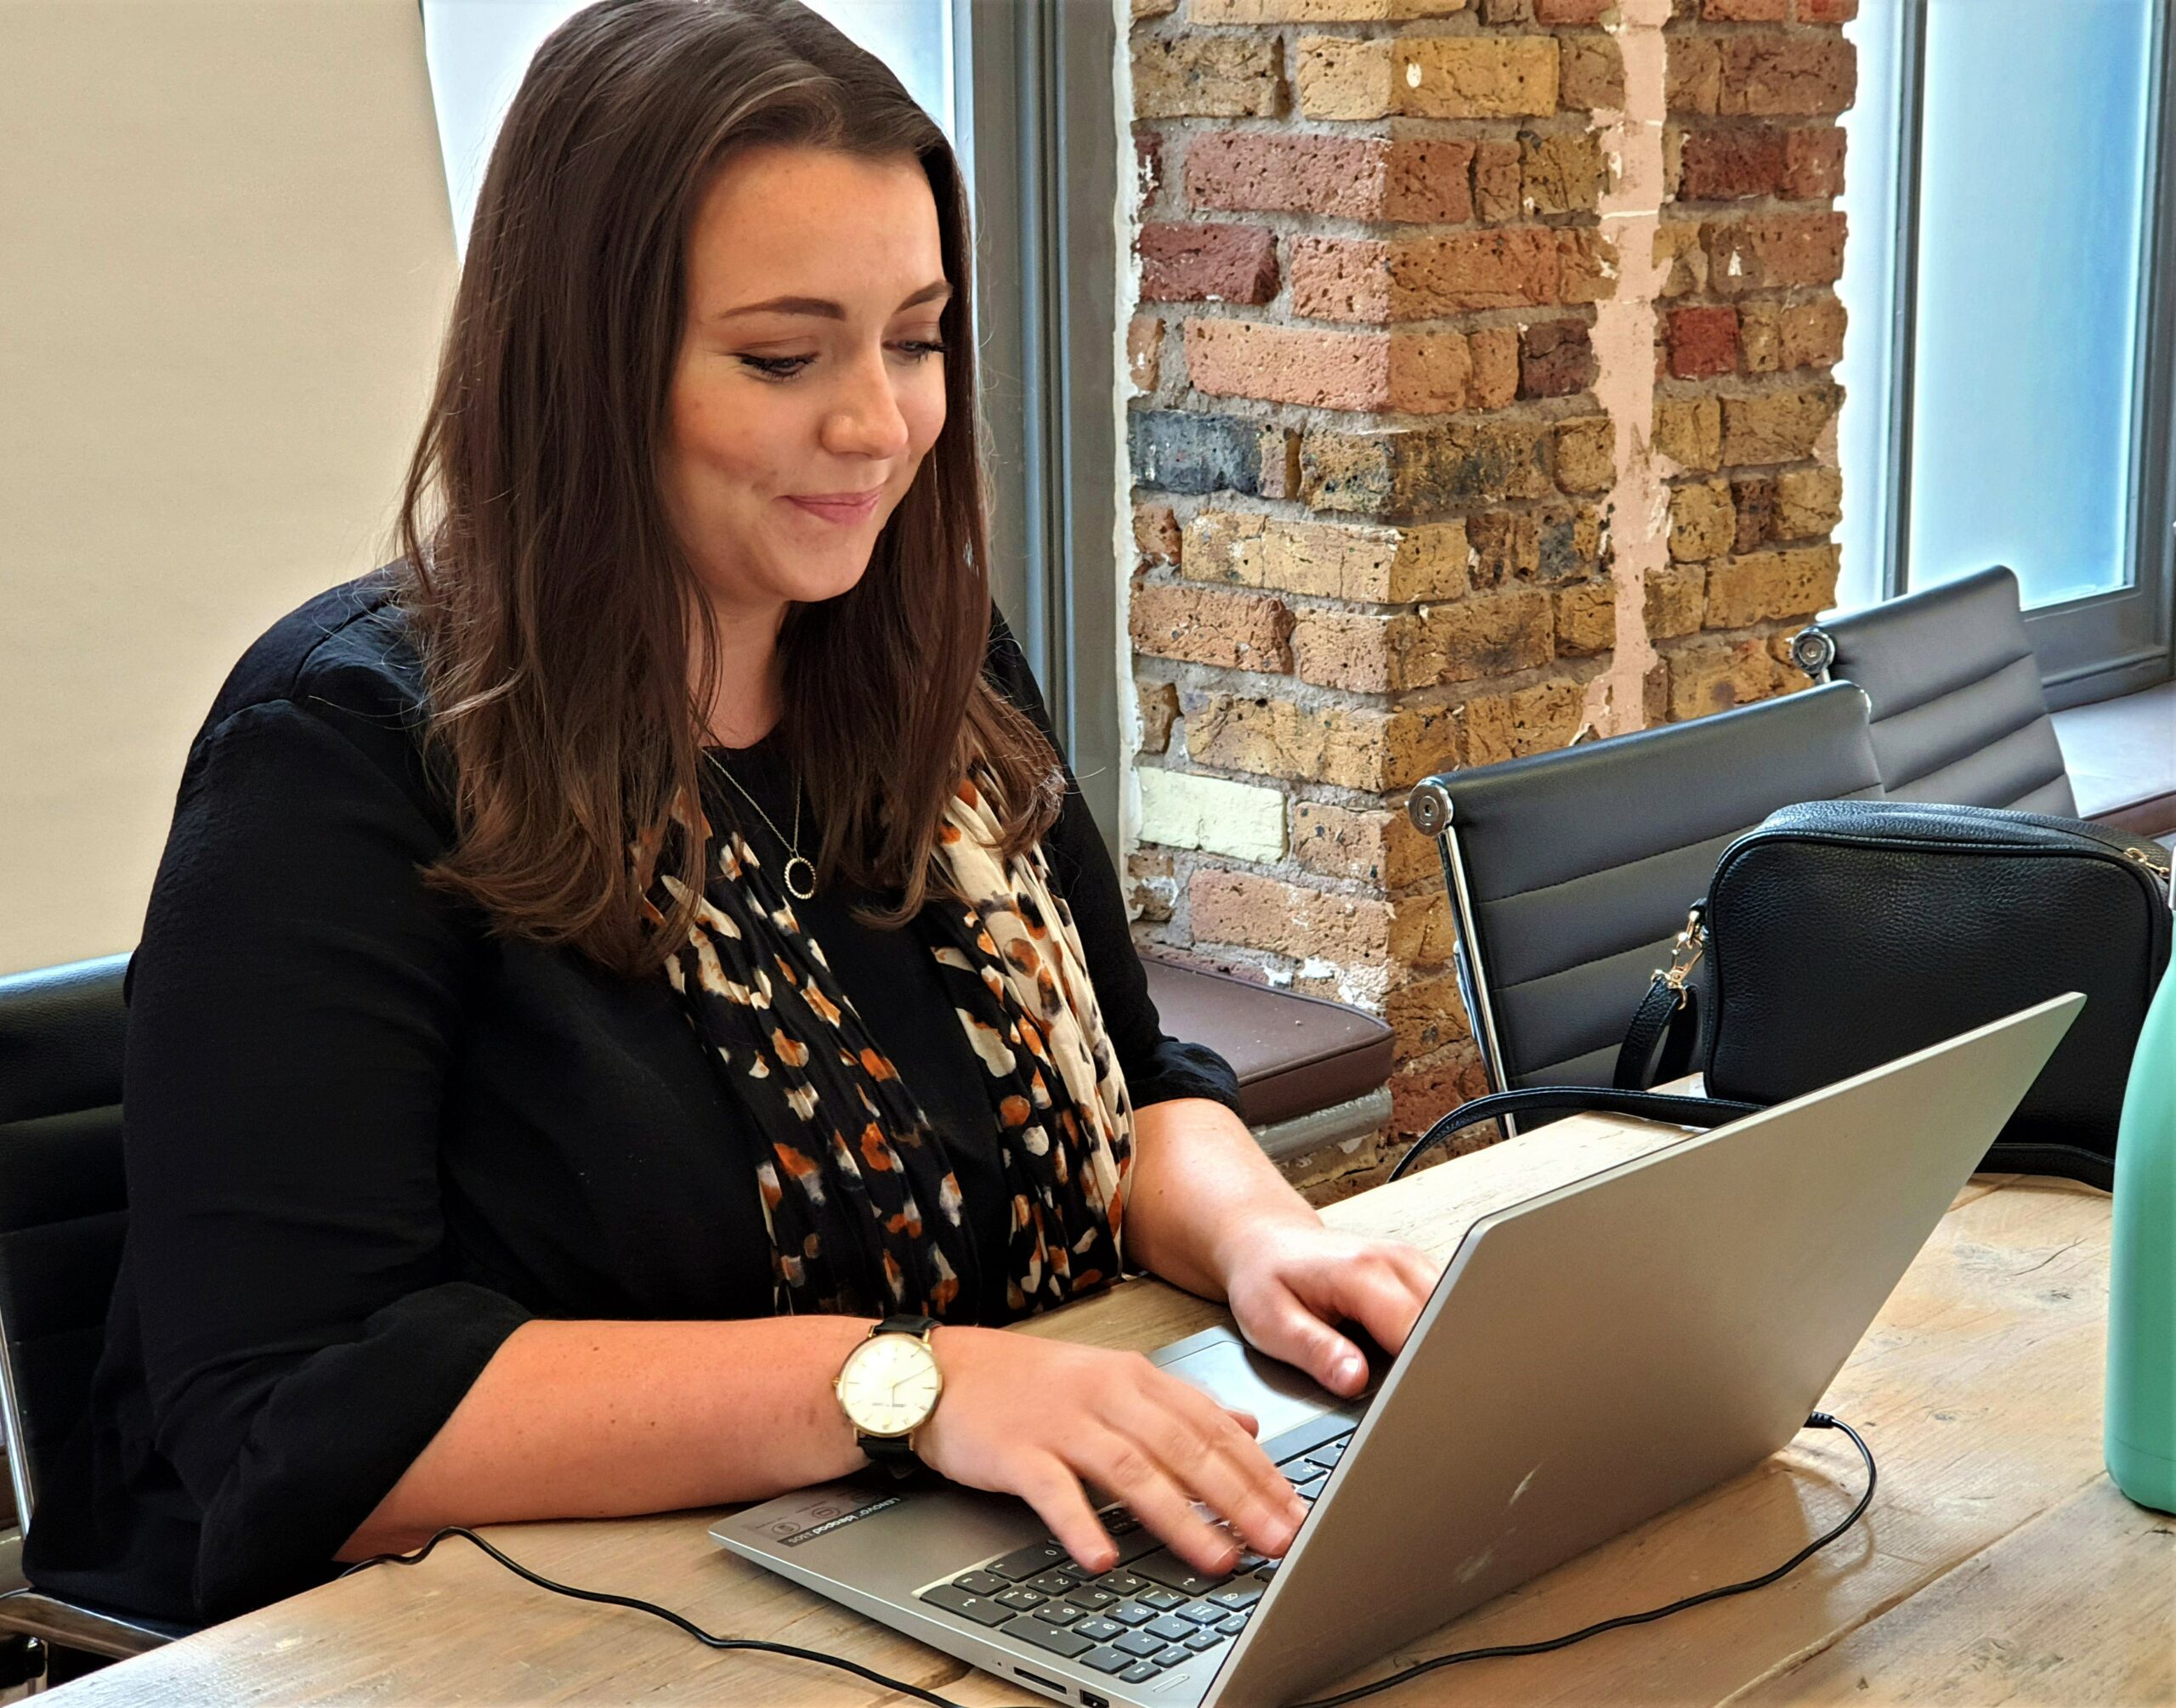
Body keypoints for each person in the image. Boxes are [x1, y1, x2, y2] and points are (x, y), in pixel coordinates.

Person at [26, 0, 1440, 1628]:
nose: (878, 424)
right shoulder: (343, 751)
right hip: (457, 1636)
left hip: (874, 1570)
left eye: (915, 339)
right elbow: (299, 1406)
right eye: (783, 357)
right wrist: (898, 1387)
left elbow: (1140, 1087)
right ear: (582, 365)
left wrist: (1268, 1240)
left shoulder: (935, 663)